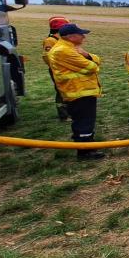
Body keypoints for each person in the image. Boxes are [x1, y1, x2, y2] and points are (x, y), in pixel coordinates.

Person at [49, 23, 104, 161]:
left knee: (84, 121)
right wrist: (91, 61)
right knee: (84, 121)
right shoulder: (63, 51)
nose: (84, 37)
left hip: (81, 91)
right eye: (81, 34)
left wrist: (86, 54)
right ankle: (85, 152)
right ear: (71, 37)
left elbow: (97, 60)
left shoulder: (70, 48)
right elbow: (93, 67)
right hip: (78, 92)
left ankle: (86, 145)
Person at [42, 16, 70, 121]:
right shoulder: (50, 41)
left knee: (67, 90)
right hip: (57, 70)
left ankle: (69, 111)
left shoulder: (61, 39)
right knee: (61, 91)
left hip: (65, 69)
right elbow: (47, 57)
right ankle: (63, 115)